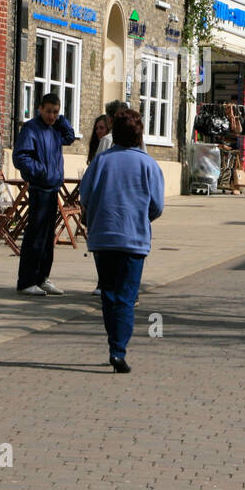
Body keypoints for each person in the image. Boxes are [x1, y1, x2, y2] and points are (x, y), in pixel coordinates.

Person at [77, 108, 164, 373]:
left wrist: (95, 216)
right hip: (133, 239)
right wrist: (139, 216)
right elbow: (157, 206)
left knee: (109, 295)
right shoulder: (149, 165)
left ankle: (113, 343)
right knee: (126, 297)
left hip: (103, 237)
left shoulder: (101, 162)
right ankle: (118, 349)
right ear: (139, 136)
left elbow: (86, 198)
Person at [12, 92, 76, 296]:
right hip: (39, 188)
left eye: (56, 112)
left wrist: (62, 120)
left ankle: (42, 277)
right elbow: (20, 157)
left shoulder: (56, 129)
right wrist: (41, 172)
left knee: (48, 237)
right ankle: (27, 280)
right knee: (35, 236)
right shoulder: (31, 128)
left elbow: (70, 137)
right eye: (48, 111)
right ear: (40, 109)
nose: (52, 116)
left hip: (53, 188)